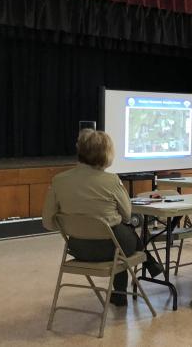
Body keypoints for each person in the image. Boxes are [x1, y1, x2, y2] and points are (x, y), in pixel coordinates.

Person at [42, 129, 162, 307]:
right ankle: (148, 267)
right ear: (106, 153)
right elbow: (127, 215)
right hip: (112, 249)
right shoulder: (111, 180)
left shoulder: (59, 180)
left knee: (117, 235)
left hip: (77, 248)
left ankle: (124, 290)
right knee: (122, 231)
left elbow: (48, 222)